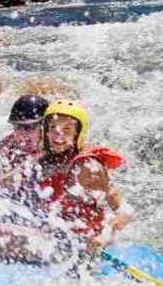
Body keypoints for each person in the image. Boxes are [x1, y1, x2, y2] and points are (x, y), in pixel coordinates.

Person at [35, 100, 131, 252]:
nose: (58, 135)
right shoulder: (43, 161)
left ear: (77, 134)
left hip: (84, 245)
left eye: (67, 129)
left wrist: (103, 237)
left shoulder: (87, 167)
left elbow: (124, 211)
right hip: (53, 237)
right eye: (53, 128)